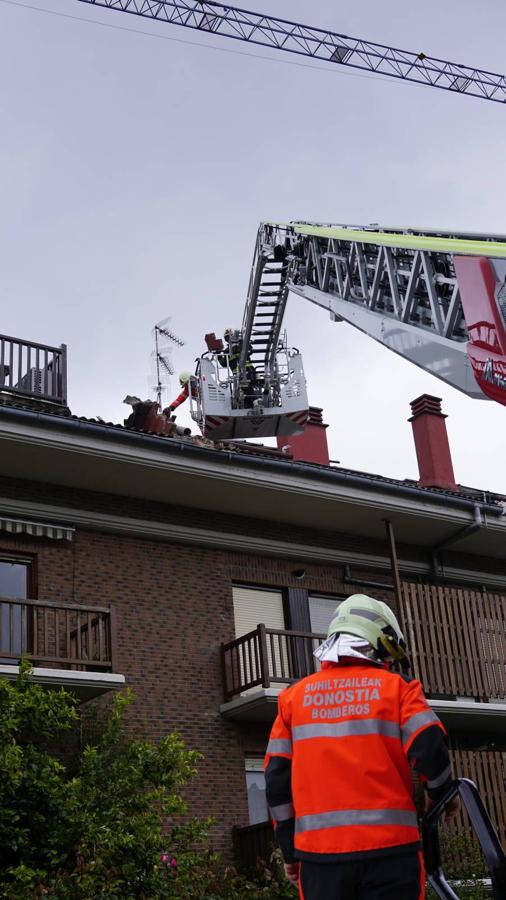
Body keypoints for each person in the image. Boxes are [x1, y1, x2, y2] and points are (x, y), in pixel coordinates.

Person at [264, 594, 459, 900]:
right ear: (380, 642)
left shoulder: (292, 700)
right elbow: (430, 745)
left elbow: (277, 782)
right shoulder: (398, 689)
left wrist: (290, 851)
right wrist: (439, 795)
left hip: (319, 860)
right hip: (391, 854)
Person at [217, 328, 259, 408]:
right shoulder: (226, 352)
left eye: (230, 337)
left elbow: (250, 350)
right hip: (237, 374)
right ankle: (252, 403)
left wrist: (241, 343)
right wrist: (219, 355)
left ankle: (255, 402)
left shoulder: (243, 345)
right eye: (227, 338)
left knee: (248, 387)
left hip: (249, 371)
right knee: (244, 390)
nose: (229, 339)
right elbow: (224, 364)